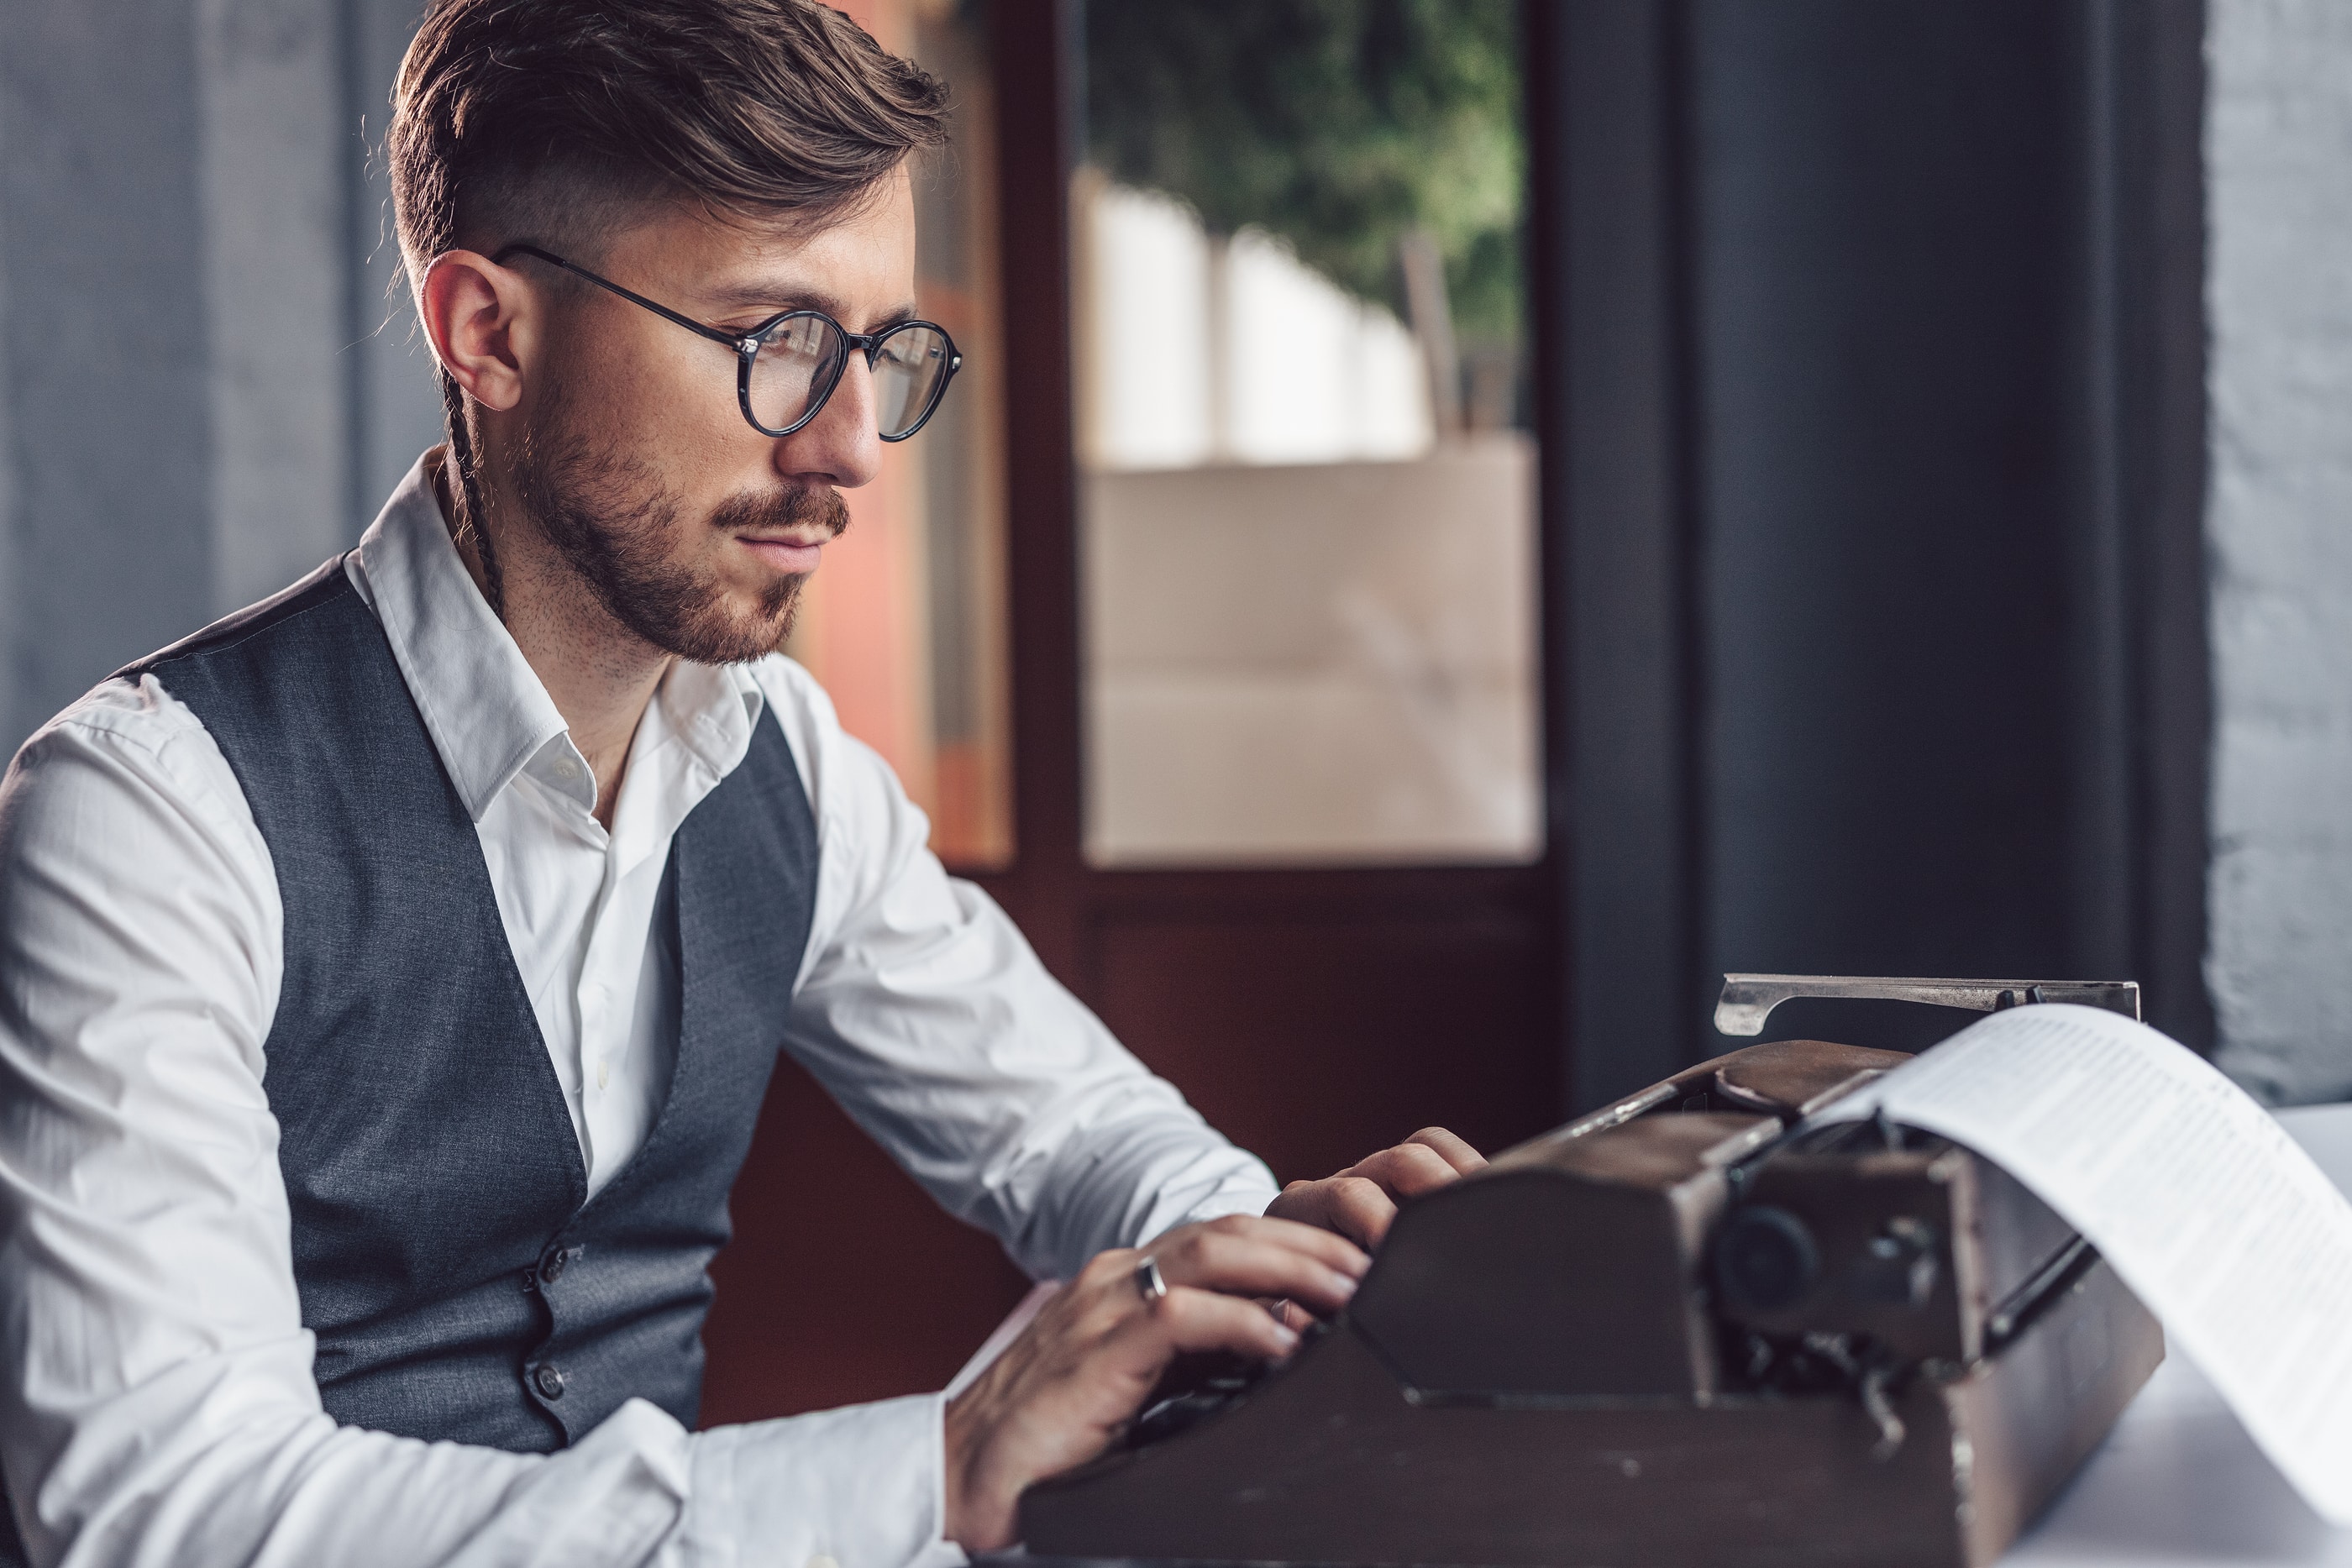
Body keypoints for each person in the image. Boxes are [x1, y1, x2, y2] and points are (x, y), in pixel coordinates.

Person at [0, 3, 1488, 1563]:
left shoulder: (785, 762)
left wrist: (1281, 1257)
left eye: (882, 352)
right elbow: (158, 1510)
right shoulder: (151, 818)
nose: (850, 443)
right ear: (487, 331)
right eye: (776, 342)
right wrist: (935, 1466)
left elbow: (1077, 1141)